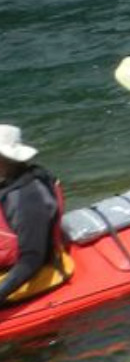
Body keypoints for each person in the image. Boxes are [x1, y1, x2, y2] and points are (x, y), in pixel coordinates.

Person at [0, 125, 70, 305]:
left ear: (5, 159)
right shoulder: (8, 182)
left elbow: (31, 260)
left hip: (26, 270)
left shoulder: (26, 199)